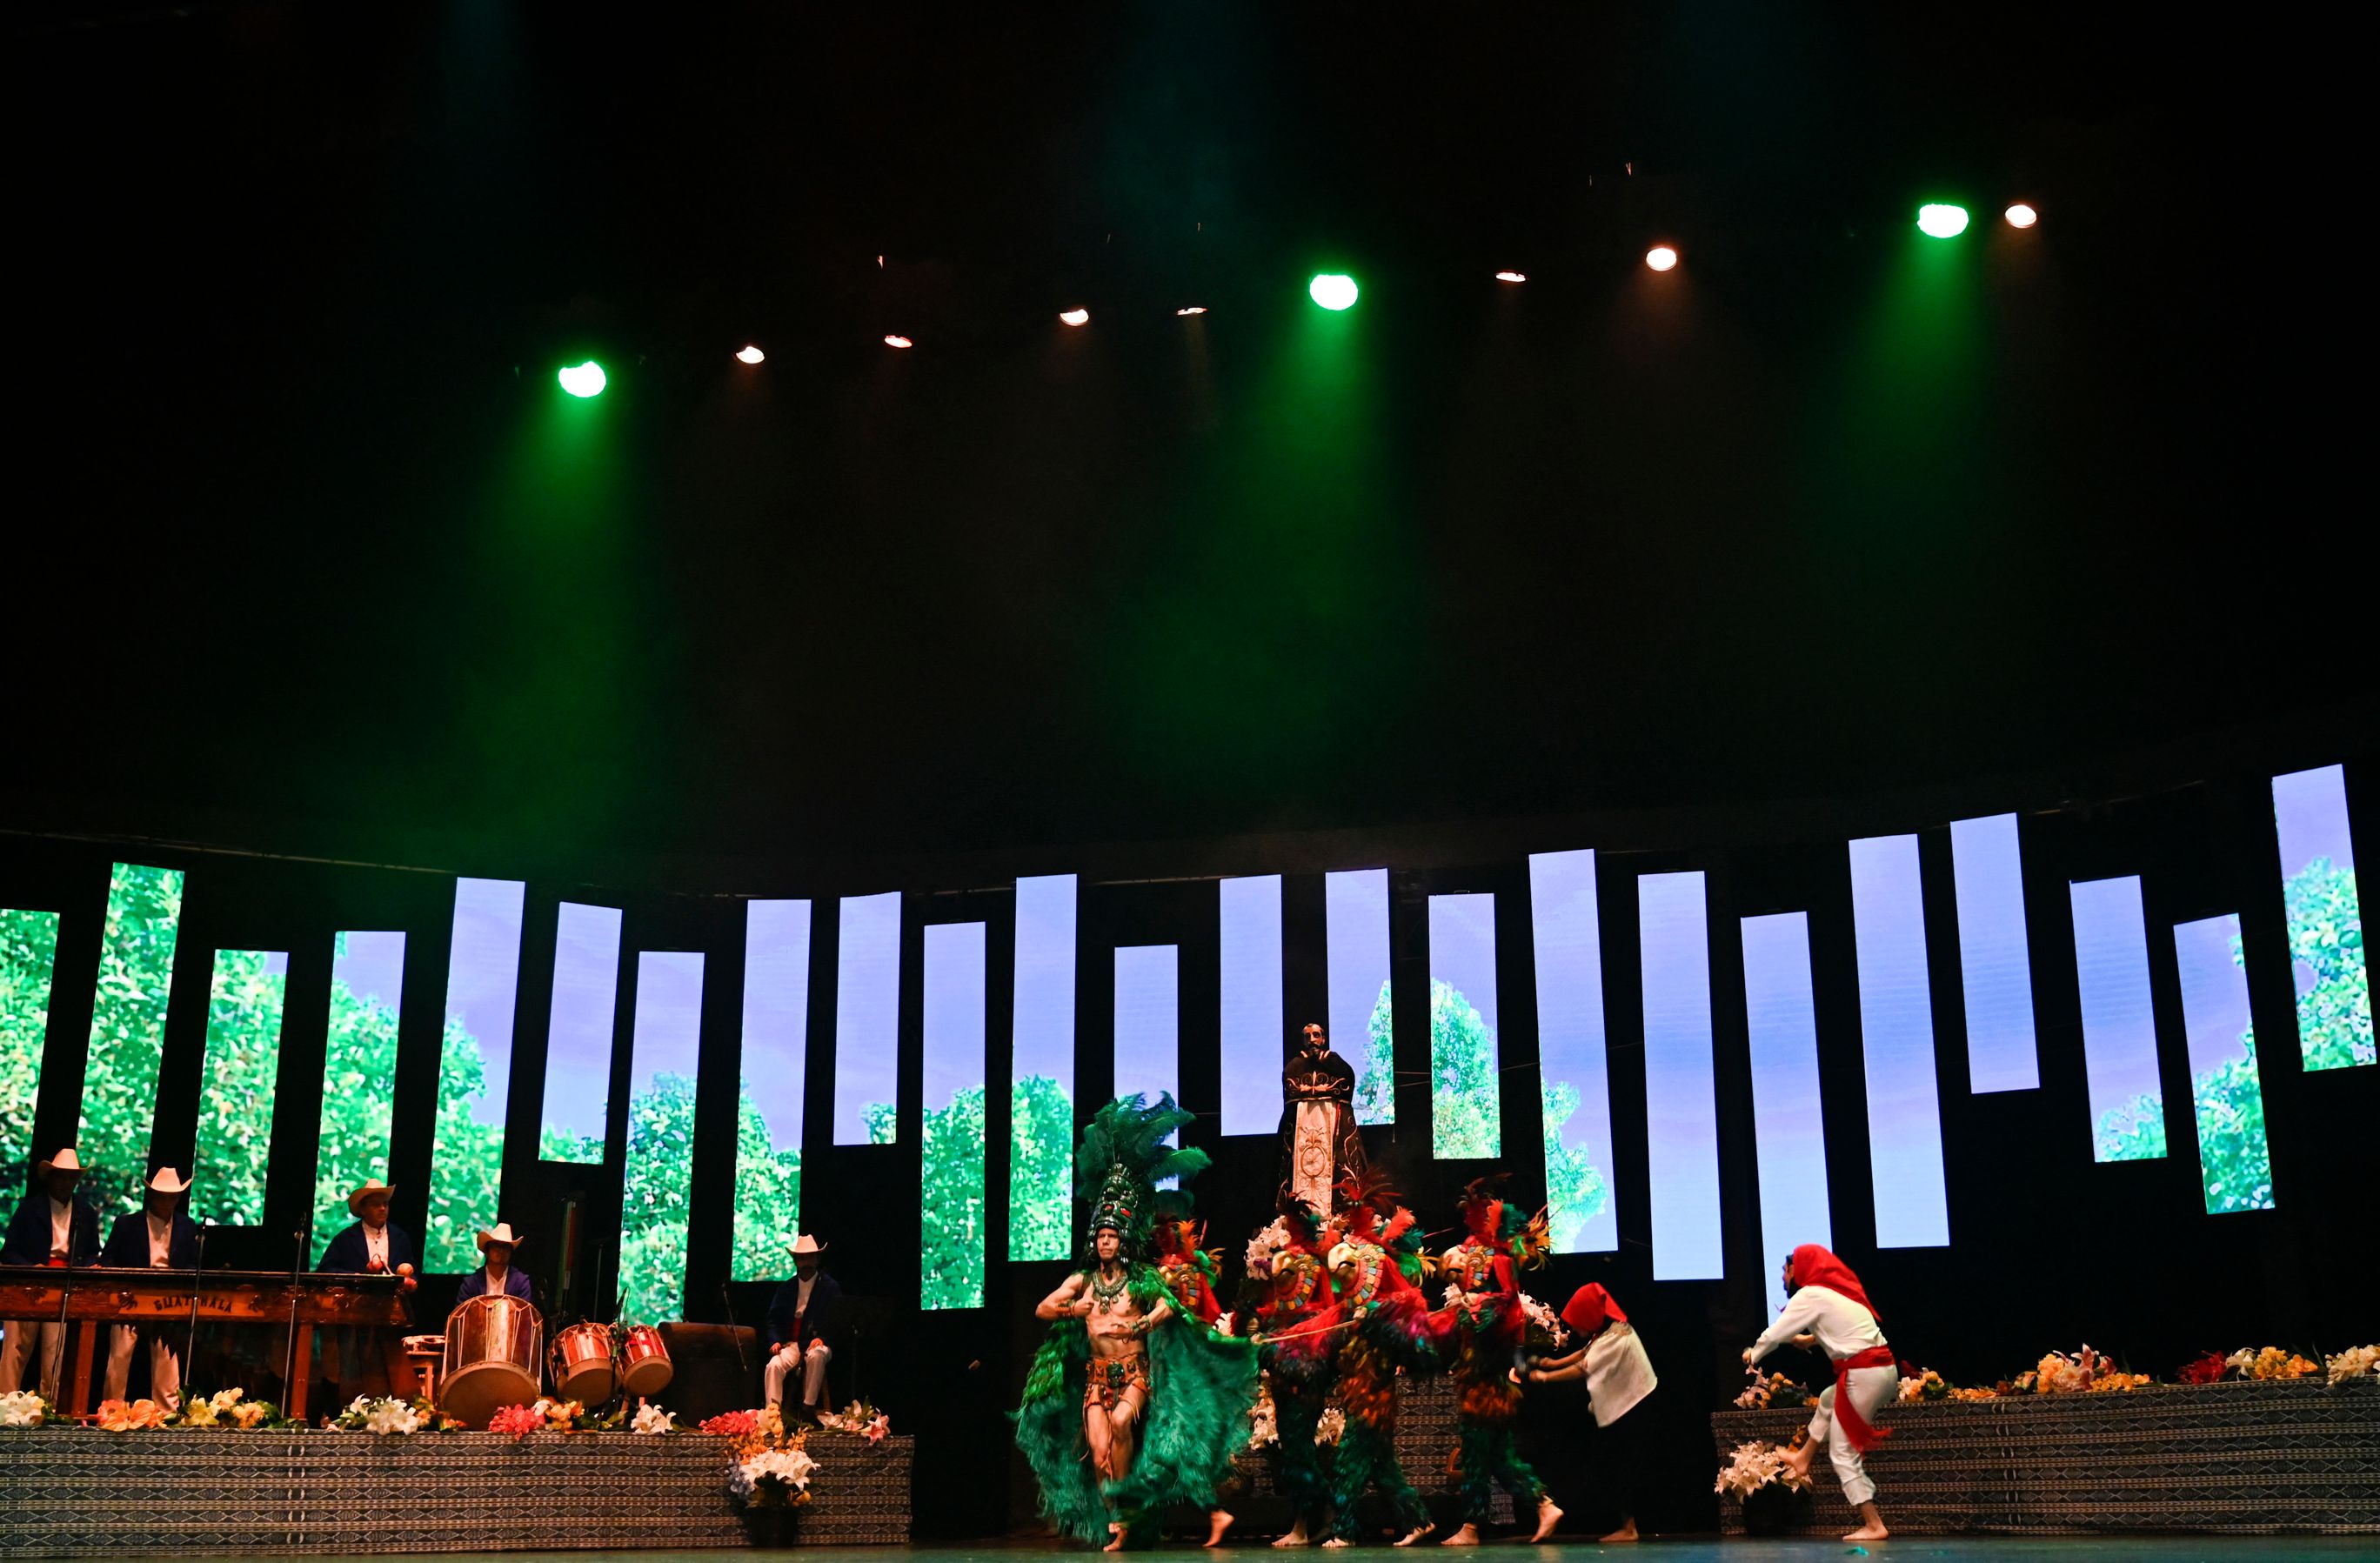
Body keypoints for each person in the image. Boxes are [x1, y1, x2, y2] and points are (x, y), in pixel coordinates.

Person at [1015, 1094, 1260, 1553]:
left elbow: (1170, 1307)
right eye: (1101, 1236)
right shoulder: (1082, 1281)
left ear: (1121, 1240)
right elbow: (1043, 1308)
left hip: (1134, 1373)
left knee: (1125, 1423)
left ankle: (1126, 1520)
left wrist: (1144, 1323)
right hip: (1095, 1378)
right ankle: (1118, 1518)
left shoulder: (1141, 1277)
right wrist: (1074, 1311)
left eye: (1112, 1236)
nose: (1106, 1242)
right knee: (1100, 1451)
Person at [1434, 1178, 1561, 1546]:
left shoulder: (1501, 1256)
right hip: (1476, 1361)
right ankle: (1542, 1505)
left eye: (1481, 1211)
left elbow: (1507, 1300)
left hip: (1488, 1366)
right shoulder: (1474, 1252)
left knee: (1477, 1445)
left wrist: (1474, 1307)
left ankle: (1474, 1526)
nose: (1474, 1218)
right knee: (1494, 1450)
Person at [1742, 1244, 1896, 1544]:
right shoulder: (1835, 1293)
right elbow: (1849, 1328)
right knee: (1828, 1399)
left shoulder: (1811, 1294)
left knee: (1842, 1451)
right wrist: (1810, 1340)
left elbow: (1776, 1333)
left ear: (1797, 1270)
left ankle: (1874, 1524)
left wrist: (1754, 1353)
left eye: (1785, 1270)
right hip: (1882, 1370)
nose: (1782, 1278)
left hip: (1864, 1374)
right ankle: (1803, 1458)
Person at [1322, 1170, 1435, 1548]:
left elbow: (1410, 1301)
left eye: (1358, 1209)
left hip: (1375, 1374)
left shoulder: (1379, 1260)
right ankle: (1418, 1520)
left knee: (1353, 1453)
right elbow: (1336, 1310)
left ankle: (1344, 1530)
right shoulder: (1342, 1259)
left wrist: (1373, 1313)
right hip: (1355, 1371)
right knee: (1382, 1460)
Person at [1528, 1284, 1657, 1544]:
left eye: (1577, 1323)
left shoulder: (1617, 1336)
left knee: (1623, 1468)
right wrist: (1552, 1362)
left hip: (1634, 1407)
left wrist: (1545, 1376)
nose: (1575, 1330)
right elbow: (1585, 1352)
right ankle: (1627, 1525)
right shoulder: (1609, 1331)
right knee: (1614, 1466)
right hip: (1629, 1408)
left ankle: (1629, 1528)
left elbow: (1583, 1367)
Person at [1254, 1198, 1344, 1548]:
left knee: (1300, 1450)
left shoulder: (1313, 1273)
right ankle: (1308, 1523)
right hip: (1282, 1372)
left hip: (1306, 1370)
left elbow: (1327, 1315)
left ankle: (1318, 1520)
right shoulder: (1284, 1267)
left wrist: (1295, 1338)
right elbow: (1277, 1310)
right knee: (1294, 1450)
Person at [0, 1147, 104, 1399]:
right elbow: (9, 1252)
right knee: (16, 1345)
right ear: (51, 1177)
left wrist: (89, 1266)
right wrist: (31, 1268)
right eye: (62, 1176)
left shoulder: (84, 1212)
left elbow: (92, 1251)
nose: (66, 1182)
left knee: (55, 1348)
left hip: (65, 1285)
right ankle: (5, 1401)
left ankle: (50, 1404)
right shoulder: (29, 1209)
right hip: (29, 1285)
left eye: (71, 1177)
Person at [99, 1167, 201, 1409]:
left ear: (177, 1198)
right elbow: (108, 1260)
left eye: (171, 1197)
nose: (166, 1201)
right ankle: (112, 1411)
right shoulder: (127, 1224)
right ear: (151, 1195)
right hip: (130, 1297)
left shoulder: (187, 1226)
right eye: (161, 1196)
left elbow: (192, 1264)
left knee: (167, 1359)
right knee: (120, 1357)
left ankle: (167, 1413)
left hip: (169, 1298)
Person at [317, 1179, 420, 1399]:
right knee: (351, 1365)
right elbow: (325, 1270)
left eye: (385, 1204)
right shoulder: (346, 1238)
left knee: (389, 1366)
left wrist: (411, 1282)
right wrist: (355, 1277)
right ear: (363, 1209)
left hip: (391, 1314)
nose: (383, 1208)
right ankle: (351, 1410)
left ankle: (388, 1410)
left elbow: (411, 1271)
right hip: (355, 1316)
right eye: (376, 1204)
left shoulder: (400, 1236)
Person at [1277, 1023, 1369, 1215]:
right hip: (1304, 1130)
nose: (1312, 1040)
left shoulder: (1335, 1062)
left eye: (1316, 1035)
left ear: (1324, 1039)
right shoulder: (1295, 1066)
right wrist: (1315, 1090)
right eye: (1308, 1036)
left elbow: (1346, 1083)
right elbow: (1291, 1090)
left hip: (1330, 1127)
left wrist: (1318, 1090)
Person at [764, 1233, 841, 1417]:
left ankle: (808, 1407)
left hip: (817, 1342)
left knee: (817, 1355)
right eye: (801, 1258)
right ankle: (772, 1415)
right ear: (796, 1261)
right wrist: (774, 1340)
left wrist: (823, 1338)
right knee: (773, 1365)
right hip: (791, 1344)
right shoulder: (786, 1288)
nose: (805, 1262)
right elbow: (772, 1320)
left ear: (817, 1259)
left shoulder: (830, 1287)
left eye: (809, 1257)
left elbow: (837, 1320)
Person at [453, 1223, 535, 1308]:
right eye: (496, 1245)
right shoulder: (471, 1283)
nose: (501, 1250)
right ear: (487, 1250)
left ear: (510, 1252)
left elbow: (525, 1315)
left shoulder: (520, 1282)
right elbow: (460, 1316)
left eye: (506, 1247)